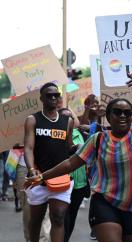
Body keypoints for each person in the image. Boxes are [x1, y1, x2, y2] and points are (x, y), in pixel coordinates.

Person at [26, 73, 132, 242]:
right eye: (117, 112)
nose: (123, 116)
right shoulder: (98, 139)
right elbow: (70, 163)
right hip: (104, 203)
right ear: (109, 117)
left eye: (127, 113)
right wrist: (41, 177)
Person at [24, 82, 75, 242]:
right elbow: (28, 148)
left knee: (58, 217)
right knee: (35, 221)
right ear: (41, 98)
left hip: (61, 179)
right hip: (38, 179)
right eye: (49, 95)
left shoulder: (68, 121)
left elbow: (69, 146)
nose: (53, 98)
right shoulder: (32, 120)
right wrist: (32, 170)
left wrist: (78, 147)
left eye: (56, 95)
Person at [58, 108, 88, 242]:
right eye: (64, 117)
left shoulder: (81, 133)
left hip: (79, 184)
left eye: (70, 117)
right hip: (63, 182)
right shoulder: (55, 135)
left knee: (72, 214)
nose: (68, 120)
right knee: (63, 216)